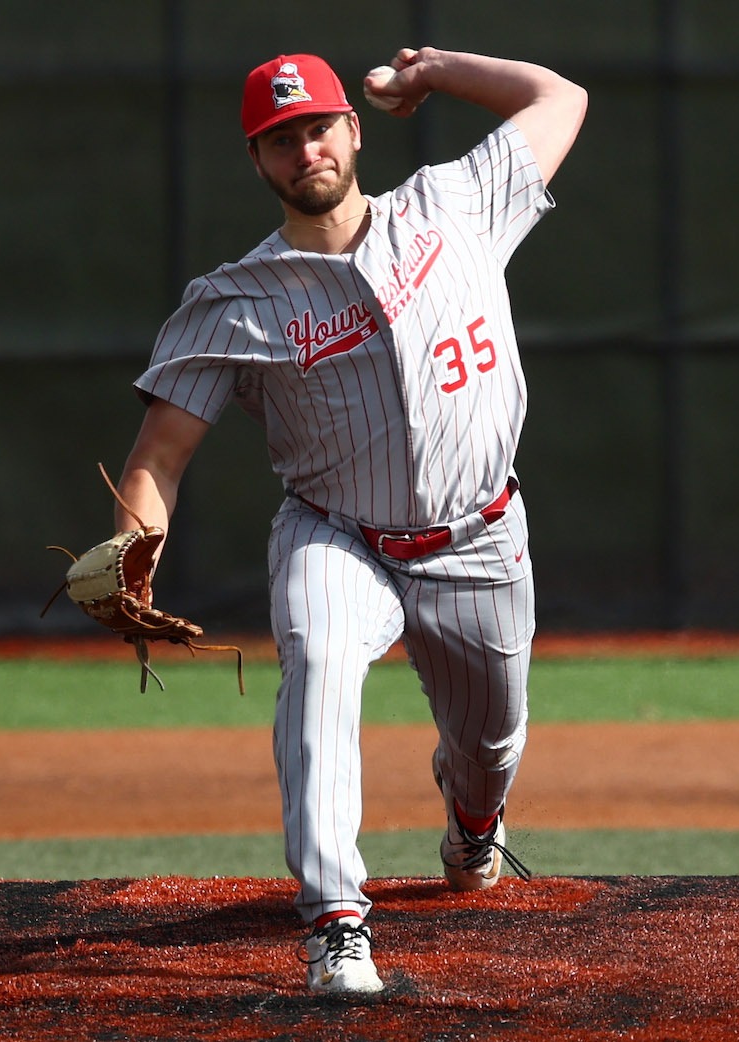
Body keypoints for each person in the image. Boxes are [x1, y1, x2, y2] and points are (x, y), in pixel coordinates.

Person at [109, 48, 586, 993]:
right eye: (280, 139)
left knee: (488, 746)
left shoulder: (453, 203)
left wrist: (437, 70)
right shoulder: (233, 301)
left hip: (480, 534)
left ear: (353, 131)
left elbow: (559, 97)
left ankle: (473, 825)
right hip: (339, 536)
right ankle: (337, 924)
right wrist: (131, 549)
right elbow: (157, 457)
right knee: (319, 667)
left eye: (317, 127)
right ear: (258, 161)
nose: (304, 150)